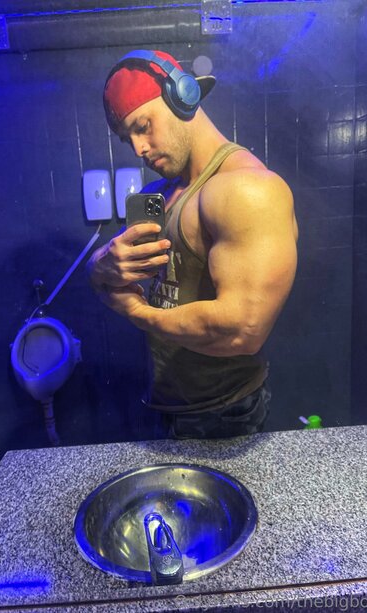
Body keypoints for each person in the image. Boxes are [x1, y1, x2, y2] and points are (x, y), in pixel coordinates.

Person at [87, 49, 298, 439]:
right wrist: (101, 263)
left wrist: (137, 312)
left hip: (223, 411)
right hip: (165, 400)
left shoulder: (246, 190)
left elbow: (242, 332)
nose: (138, 148)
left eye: (143, 126)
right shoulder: (157, 193)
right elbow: (107, 277)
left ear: (183, 96)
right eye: (128, 138)